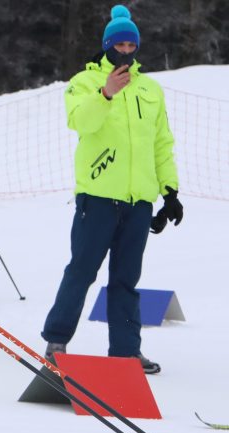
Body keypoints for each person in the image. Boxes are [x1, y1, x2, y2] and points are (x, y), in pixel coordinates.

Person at [41, 4, 180, 375]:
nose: (125, 51)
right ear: (106, 45)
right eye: (118, 45)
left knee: (125, 279)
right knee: (82, 271)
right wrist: (105, 94)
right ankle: (56, 341)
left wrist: (170, 192)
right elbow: (79, 122)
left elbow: (161, 142)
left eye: (130, 45)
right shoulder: (84, 83)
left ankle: (125, 352)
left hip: (138, 202)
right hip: (99, 198)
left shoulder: (150, 89)